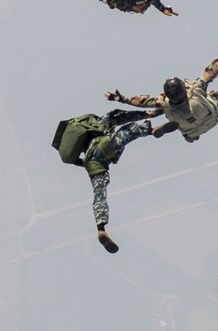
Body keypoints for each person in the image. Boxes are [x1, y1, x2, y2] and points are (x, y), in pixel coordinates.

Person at [51, 108, 161, 253]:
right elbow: (124, 117)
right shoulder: (100, 122)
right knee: (129, 129)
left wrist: (84, 163)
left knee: (99, 193)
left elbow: (76, 160)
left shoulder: (86, 134)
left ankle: (101, 228)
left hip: (92, 163)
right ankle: (151, 130)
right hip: (102, 148)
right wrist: (148, 114)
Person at [105, 40, 218, 141]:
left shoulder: (164, 102)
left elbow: (142, 102)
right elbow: (211, 72)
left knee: (157, 110)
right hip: (211, 119)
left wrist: (121, 98)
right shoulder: (195, 89)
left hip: (192, 132)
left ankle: (179, 133)